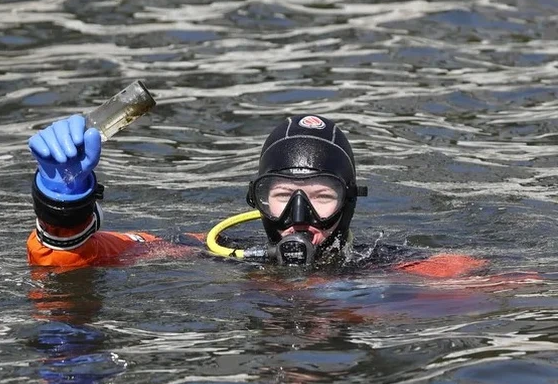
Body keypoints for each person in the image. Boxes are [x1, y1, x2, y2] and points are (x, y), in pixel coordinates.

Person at [25, 113, 486, 278]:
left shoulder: (391, 268)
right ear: (257, 200)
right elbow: (79, 257)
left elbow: (506, 288)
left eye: (321, 196)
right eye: (282, 194)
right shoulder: (218, 254)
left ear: (349, 203)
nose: (298, 217)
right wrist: (64, 203)